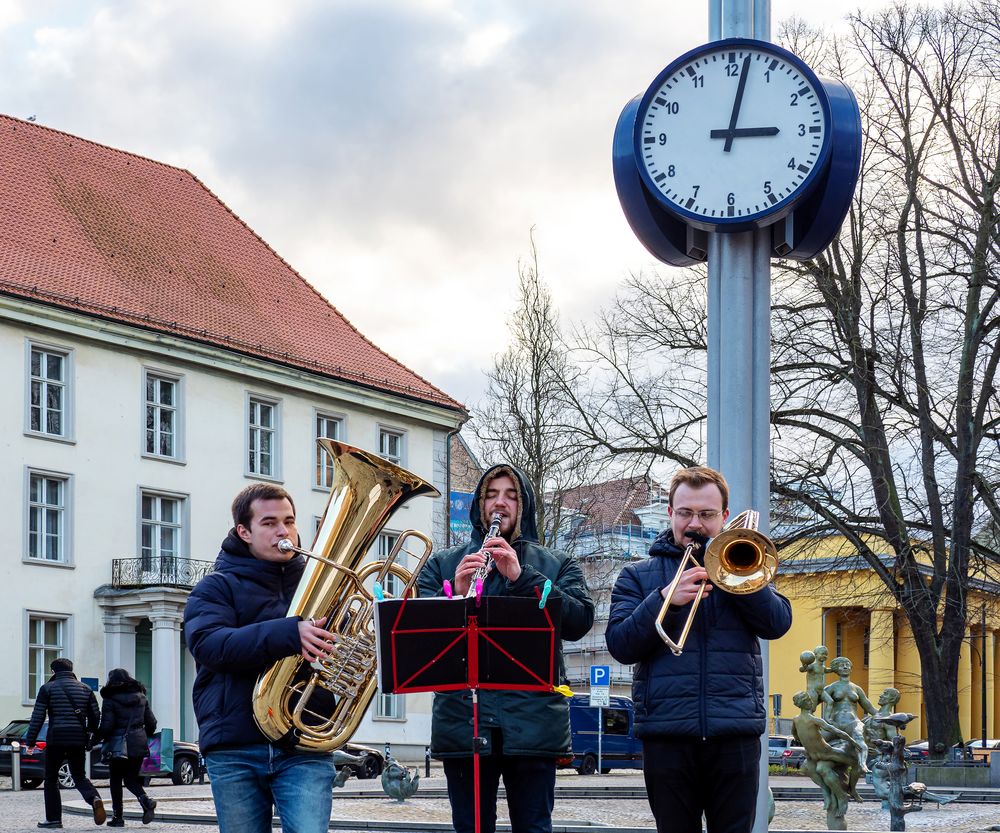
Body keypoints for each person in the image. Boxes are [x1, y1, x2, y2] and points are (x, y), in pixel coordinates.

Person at [605, 465, 792, 833]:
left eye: (706, 514)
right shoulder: (637, 575)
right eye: (685, 513)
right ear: (671, 513)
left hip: (733, 732)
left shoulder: (744, 564)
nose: (695, 524)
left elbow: (777, 623)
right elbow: (621, 645)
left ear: (724, 516)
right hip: (667, 735)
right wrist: (664, 600)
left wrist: (738, 579)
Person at [417, 464, 595, 833]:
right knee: (471, 827)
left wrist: (523, 577)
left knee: (533, 826)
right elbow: (421, 639)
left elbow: (579, 622)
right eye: (492, 495)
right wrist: (455, 590)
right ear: (479, 505)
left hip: (533, 723)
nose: (501, 503)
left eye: (511, 496)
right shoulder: (442, 564)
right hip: (464, 721)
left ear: (523, 506)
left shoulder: (557, 563)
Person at [183, 483, 338, 833]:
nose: (283, 531)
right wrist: (289, 634)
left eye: (289, 521)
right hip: (236, 745)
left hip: (305, 742)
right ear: (244, 531)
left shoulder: (322, 586)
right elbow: (210, 645)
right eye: (269, 523)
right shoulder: (216, 586)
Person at [24, 657, 107, 828]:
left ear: (53, 671)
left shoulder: (47, 688)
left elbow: (38, 717)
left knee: (51, 778)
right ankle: (94, 798)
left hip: (56, 738)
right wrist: (90, 735)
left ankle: (54, 819)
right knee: (79, 776)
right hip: (77, 739)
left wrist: (30, 741)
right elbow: (95, 716)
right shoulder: (85, 689)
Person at [93, 668, 158, 826]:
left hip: (117, 745)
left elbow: (107, 726)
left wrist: (94, 739)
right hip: (138, 742)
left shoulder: (110, 699)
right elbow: (152, 723)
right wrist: (143, 735)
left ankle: (118, 817)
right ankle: (145, 800)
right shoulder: (141, 697)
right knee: (130, 779)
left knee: (115, 780)